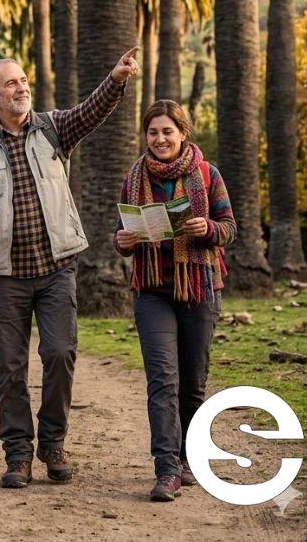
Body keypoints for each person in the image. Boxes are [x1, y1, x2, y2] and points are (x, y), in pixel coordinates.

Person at [0, 49, 139, 489]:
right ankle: (17, 454)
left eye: (23, 80)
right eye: (11, 84)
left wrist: (115, 78)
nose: (21, 88)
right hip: (4, 274)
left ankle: (52, 441)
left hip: (56, 268)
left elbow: (91, 112)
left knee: (59, 352)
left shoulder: (53, 128)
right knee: (11, 368)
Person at [114, 99, 236, 502]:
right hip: (152, 291)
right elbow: (121, 236)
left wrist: (208, 228)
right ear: (145, 136)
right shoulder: (133, 179)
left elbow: (229, 228)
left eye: (168, 131)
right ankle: (166, 469)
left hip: (199, 286)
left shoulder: (208, 174)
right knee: (162, 379)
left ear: (183, 133)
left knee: (192, 383)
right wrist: (123, 241)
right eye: (153, 132)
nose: (160, 139)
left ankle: (188, 459)